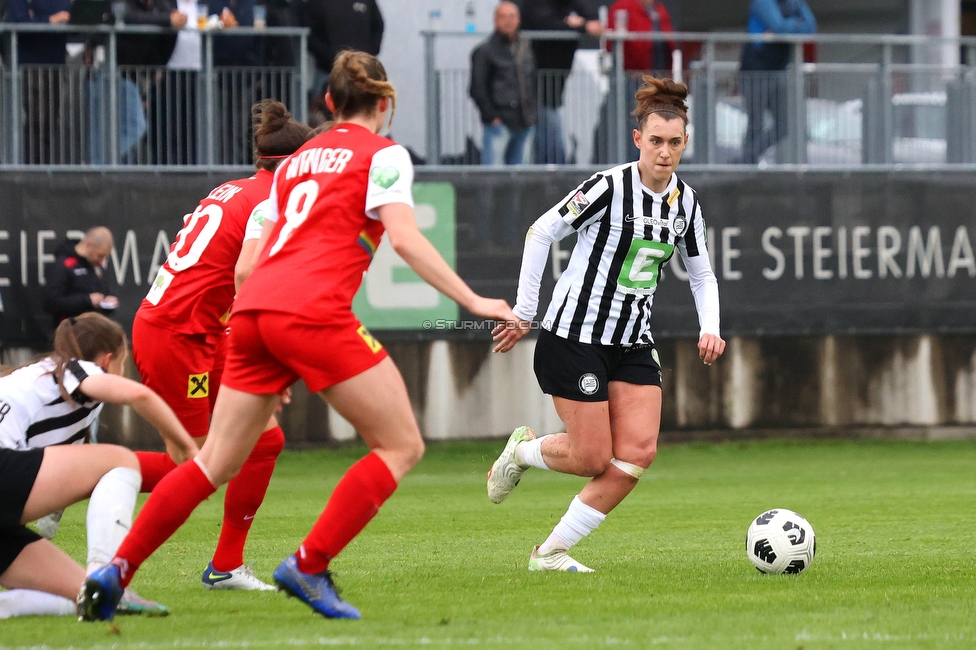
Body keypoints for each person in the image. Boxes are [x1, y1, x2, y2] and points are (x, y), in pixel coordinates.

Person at [80, 49, 515, 622]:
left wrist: (264, 352)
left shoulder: (292, 164)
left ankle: (116, 570)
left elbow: (244, 268)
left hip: (254, 312)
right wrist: (477, 302)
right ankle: (309, 564)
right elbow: (406, 241)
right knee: (401, 445)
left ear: (330, 103)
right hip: (312, 312)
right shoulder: (385, 156)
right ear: (384, 105)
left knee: (211, 462)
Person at [489, 76, 726, 572]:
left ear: (687, 142)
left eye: (675, 142)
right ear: (638, 139)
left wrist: (711, 327)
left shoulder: (687, 203)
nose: (665, 152)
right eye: (656, 141)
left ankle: (550, 553)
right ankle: (523, 453)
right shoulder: (608, 187)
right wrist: (525, 309)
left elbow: (702, 274)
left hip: (633, 342)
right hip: (574, 337)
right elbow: (540, 232)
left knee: (638, 453)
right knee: (593, 458)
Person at [132, 99, 311, 591]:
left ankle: (226, 566)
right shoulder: (269, 204)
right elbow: (247, 277)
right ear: (294, 165)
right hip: (178, 332)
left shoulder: (239, 188)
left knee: (264, 439)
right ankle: (71, 477)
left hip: (202, 331)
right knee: (188, 464)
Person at [0, 313, 198, 618]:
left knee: (87, 594)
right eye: (123, 363)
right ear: (108, 361)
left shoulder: (40, 381)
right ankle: (108, 573)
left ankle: (105, 589)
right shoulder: (75, 369)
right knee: (121, 460)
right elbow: (139, 394)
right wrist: (185, 447)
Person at [521, 0, 602, 164]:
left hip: (557, 81)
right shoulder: (534, 4)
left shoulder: (567, 3)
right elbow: (544, 23)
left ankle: (549, 171)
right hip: (535, 79)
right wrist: (578, 26)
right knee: (548, 128)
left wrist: (576, 23)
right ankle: (555, 173)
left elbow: (593, 19)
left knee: (546, 128)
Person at [595, 0, 676, 164]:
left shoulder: (660, 10)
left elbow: (668, 44)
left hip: (657, 83)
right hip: (631, 81)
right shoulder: (623, 7)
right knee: (629, 128)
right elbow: (613, 44)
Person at [737, 0, 816, 164]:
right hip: (754, 71)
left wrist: (785, 29)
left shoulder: (795, 3)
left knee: (784, 124)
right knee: (756, 122)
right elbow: (779, 27)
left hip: (778, 71)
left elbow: (810, 27)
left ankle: (746, 159)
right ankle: (746, 163)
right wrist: (795, 25)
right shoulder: (762, 2)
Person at [470, 1, 538, 166]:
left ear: (519, 19)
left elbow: (532, 81)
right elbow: (477, 87)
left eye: (512, 16)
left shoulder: (526, 48)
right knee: (494, 176)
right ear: (495, 20)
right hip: (499, 122)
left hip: (525, 121)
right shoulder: (484, 51)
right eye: (503, 17)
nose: (508, 21)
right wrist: (491, 116)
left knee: (521, 176)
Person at [5, 0, 71, 164]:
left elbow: (70, 21)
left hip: (56, 63)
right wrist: (51, 20)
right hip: (31, 65)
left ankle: (44, 167)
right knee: (37, 120)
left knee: (50, 121)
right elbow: (20, 23)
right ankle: (33, 169)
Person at [296, 0, 384, 115]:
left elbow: (378, 25)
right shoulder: (316, 3)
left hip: (362, 73)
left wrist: (368, 54)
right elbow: (308, 31)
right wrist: (329, 57)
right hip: (327, 73)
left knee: (365, 115)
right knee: (320, 121)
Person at [42, 227, 119, 331]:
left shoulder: (95, 266)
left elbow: (102, 293)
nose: (102, 260)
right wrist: (87, 300)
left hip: (95, 333)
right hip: (70, 334)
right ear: (89, 246)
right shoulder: (63, 265)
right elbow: (51, 302)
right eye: (100, 255)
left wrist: (108, 301)